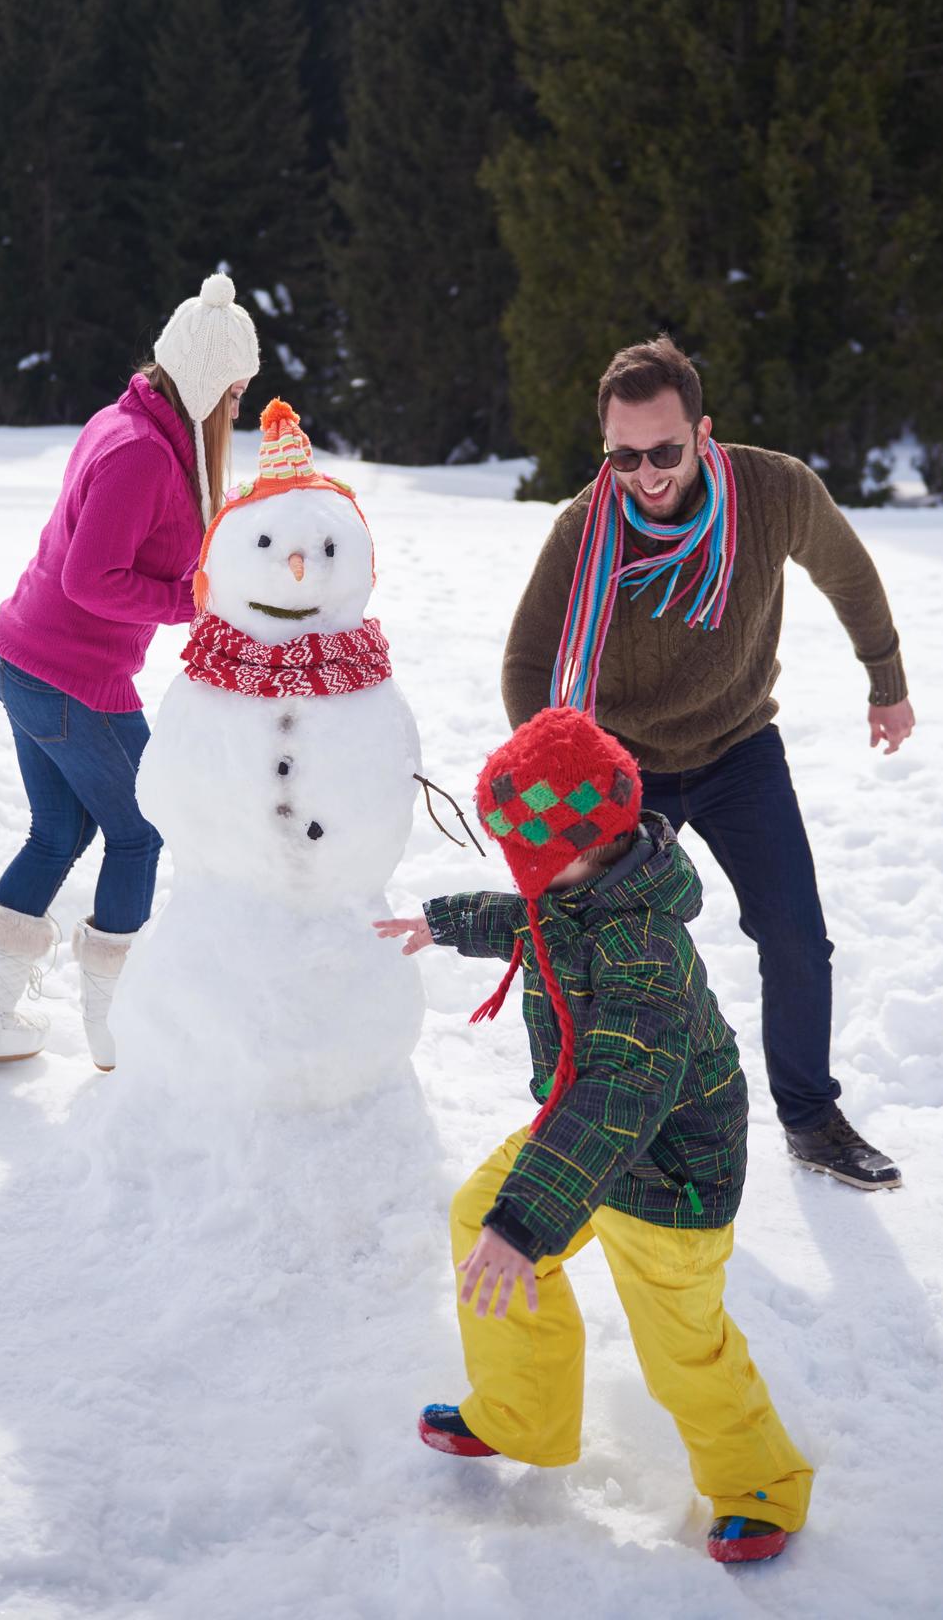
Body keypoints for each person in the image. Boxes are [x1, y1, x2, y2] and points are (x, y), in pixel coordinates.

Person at [376, 705, 813, 1566]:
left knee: (681, 1349)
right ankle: (520, 1412)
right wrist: (450, 921)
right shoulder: (588, 886)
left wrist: (526, 1219)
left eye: (530, 859)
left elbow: (621, 1093)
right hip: (585, 1140)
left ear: (584, 848)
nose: (524, 876)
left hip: (667, 1174)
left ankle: (760, 1486)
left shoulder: (642, 950)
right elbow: (534, 923)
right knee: (479, 1220)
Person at [501, 335, 913, 1189]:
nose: (647, 474)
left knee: (796, 936)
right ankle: (599, 1118)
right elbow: (526, 663)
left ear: (703, 431)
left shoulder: (774, 491)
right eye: (624, 455)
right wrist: (567, 785)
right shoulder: (584, 527)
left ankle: (809, 1118)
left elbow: (851, 576)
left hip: (738, 750)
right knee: (600, 951)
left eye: (665, 451)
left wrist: (887, 681)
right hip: (626, 772)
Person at [0, 274, 259, 1072]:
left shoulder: (135, 424)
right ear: (212, 385)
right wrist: (196, 601)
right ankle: (123, 1030)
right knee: (141, 830)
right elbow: (91, 579)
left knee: (59, 832)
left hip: (33, 661)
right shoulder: (143, 454)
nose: (241, 407)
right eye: (239, 390)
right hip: (65, 677)